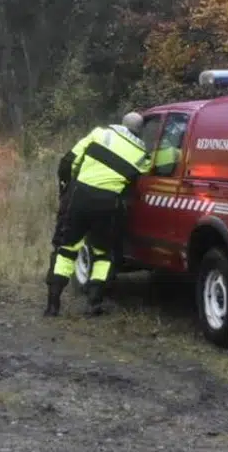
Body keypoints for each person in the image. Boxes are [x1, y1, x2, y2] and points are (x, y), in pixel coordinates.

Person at [45, 112, 151, 316]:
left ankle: (53, 304)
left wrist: (67, 188)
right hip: (108, 204)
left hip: (80, 197)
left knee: (66, 249)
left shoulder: (100, 134)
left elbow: (68, 161)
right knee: (103, 253)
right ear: (140, 131)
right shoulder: (142, 155)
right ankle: (94, 303)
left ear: (122, 123)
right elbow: (138, 183)